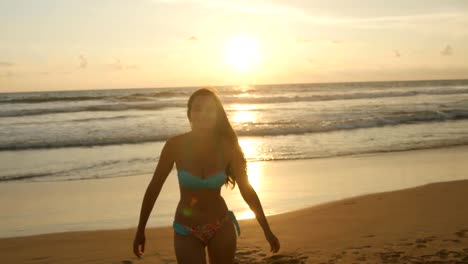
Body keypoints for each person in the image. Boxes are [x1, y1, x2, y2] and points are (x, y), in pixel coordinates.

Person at [133, 87, 280, 263]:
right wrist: (141, 229)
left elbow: (246, 190)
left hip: (221, 225)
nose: (203, 114)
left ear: (217, 115)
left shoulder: (228, 147)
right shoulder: (175, 145)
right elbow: (154, 187)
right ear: (189, 114)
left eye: (210, 110)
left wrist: (267, 229)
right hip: (186, 229)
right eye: (198, 108)